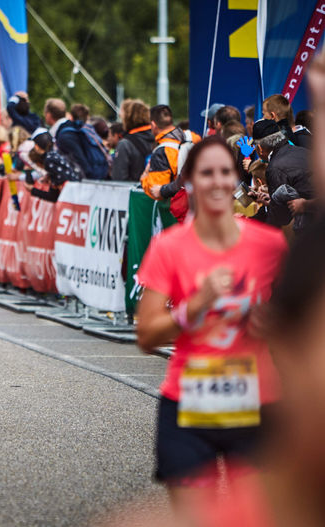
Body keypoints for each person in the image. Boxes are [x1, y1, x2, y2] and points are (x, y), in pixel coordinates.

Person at [135, 136, 287, 516]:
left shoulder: (270, 246)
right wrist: (193, 308)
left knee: (256, 518)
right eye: (206, 173)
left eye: (224, 172)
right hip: (188, 404)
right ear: (190, 181)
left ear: (235, 178)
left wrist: (275, 325)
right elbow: (146, 335)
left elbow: (303, 325)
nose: (217, 182)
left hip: (256, 402)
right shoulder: (170, 246)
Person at [251, 119, 315, 234]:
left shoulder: (274, 168)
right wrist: (272, 201)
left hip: (311, 232)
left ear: (260, 148)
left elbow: (280, 218)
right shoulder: (304, 151)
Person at [111, 98, 154, 182]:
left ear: (128, 117)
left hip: (133, 193)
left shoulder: (125, 144)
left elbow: (118, 179)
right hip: (157, 191)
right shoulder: (158, 139)